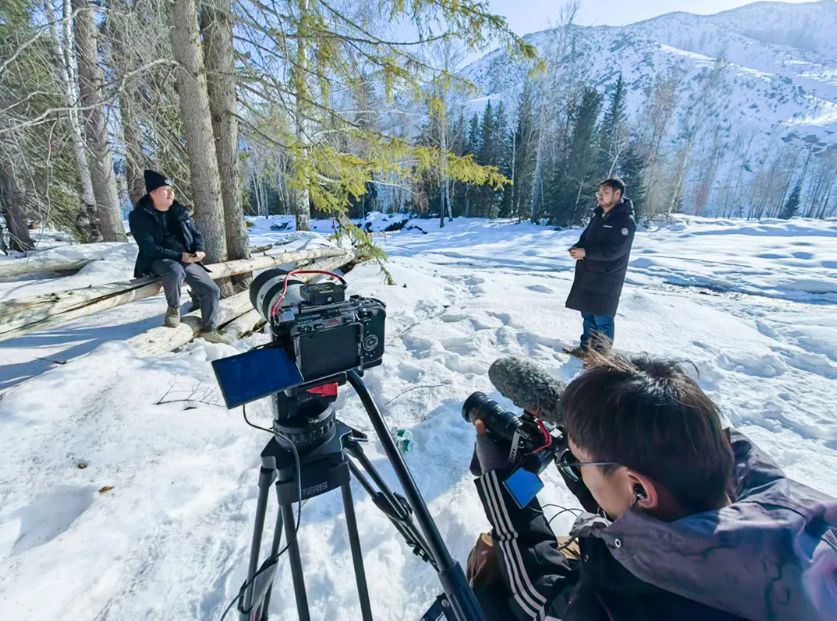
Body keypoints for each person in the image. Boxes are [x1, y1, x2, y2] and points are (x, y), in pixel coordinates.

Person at [467, 351, 837, 621]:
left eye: (579, 463)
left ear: (639, 489)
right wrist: (590, 421)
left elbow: (543, 601)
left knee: (490, 565)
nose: (576, 466)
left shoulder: (622, 599)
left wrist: (504, 487)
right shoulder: (778, 496)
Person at [129, 170, 228, 343]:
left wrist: (199, 250)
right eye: (165, 190)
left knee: (211, 290)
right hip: (157, 260)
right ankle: (173, 309)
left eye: (172, 190)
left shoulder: (179, 211)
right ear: (153, 193)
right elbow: (148, 247)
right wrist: (179, 256)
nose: (171, 193)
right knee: (174, 269)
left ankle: (209, 329)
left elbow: (196, 234)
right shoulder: (139, 215)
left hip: (185, 259)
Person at [565, 178, 636, 357]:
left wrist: (586, 252)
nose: (601, 196)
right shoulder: (598, 216)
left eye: (605, 192)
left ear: (617, 194)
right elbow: (585, 238)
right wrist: (577, 248)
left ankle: (601, 357)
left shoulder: (625, 220)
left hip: (607, 278)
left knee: (602, 317)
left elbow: (616, 250)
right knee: (588, 315)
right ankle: (586, 349)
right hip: (589, 274)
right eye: (600, 192)